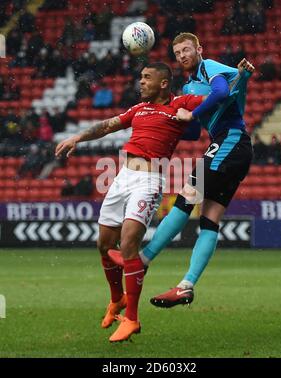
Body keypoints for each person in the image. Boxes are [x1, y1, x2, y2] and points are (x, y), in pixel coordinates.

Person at [55, 62, 205, 342]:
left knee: (128, 245)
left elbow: (215, 98)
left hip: (149, 181)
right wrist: (78, 137)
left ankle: (132, 319)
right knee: (103, 244)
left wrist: (196, 111)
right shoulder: (138, 109)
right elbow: (107, 125)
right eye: (140, 77)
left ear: (163, 83)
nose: (141, 82)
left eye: (147, 78)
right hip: (122, 177)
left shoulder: (178, 103)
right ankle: (116, 300)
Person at [109, 33, 254, 308]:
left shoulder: (209, 67)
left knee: (187, 197)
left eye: (187, 50)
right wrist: (170, 119)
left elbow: (222, 92)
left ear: (199, 49)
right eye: (178, 53)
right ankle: (186, 286)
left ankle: (144, 259)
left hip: (231, 140)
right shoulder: (188, 88)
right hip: (232, 147)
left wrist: (193, 114)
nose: (183, 56)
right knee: (210, 219)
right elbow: (189, 130)